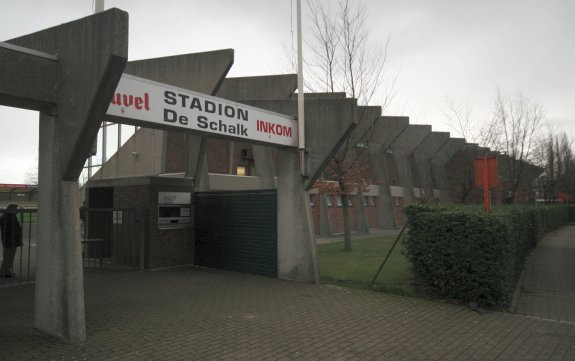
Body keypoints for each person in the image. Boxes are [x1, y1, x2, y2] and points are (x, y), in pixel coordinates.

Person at [1, 204, 23, 278]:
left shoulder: (8, 215)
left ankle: (5, 271)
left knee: (8, 256)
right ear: (12, 209)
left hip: (9, 240)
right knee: (9, 256)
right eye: (16, 209)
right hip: (11, 240)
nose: (17, 210)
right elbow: (13, 229)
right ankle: (4, 272)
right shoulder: (9, 217)